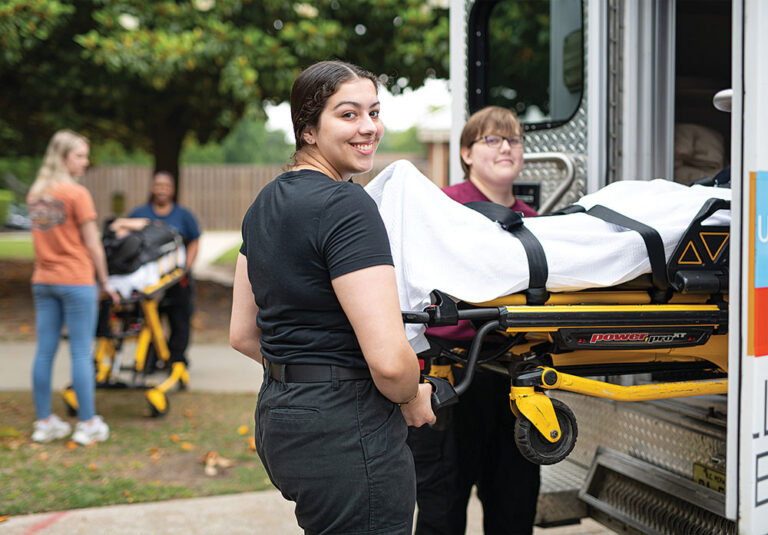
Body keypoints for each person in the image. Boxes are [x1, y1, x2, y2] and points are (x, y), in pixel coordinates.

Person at [229, 60, 436, 534]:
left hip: (281, 418)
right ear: (308, 129)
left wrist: (306, 376)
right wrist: (412, 394)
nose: (368, 128)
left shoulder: (263, 204)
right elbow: (388, 362)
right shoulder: (347, 205)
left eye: (374, 112)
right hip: (346, 429)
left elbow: (243, 333)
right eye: (348, 114)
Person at [407, 106, 541, 535]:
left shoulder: (537, 226)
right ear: (466, 152)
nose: (506, 147)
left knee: (514, 508)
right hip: (451, 380)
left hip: (518, 381)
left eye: (514, 139)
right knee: (442, 512)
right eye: (493, 139)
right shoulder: (442, 208)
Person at [27, 129, 119, 446]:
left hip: (44, 280)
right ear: (63, 157)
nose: (85, 161)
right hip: (76, 280)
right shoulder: (77, 194)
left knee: (44, 352)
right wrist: (105, 282)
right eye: (79, 155)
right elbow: (93, 246)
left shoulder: (36, 194)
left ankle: (44, 422)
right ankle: (88, 423)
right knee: (81, 352)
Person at [127, 171, 200, 366]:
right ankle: (151, 359)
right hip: (148, 282)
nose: (162, 190)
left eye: (166, 186)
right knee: (149, 320)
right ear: (152, 188)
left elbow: (194, 240)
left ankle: (176, 359)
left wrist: (186, 267)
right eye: (158, 185)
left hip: (176, 279)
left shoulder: (183, 216)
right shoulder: (138, 214)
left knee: (180, 320)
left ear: (172, 190)